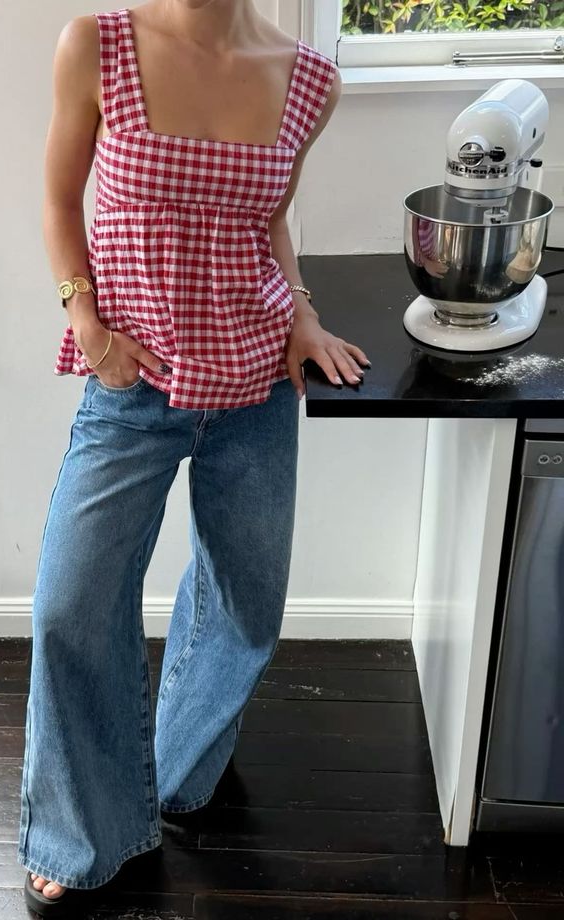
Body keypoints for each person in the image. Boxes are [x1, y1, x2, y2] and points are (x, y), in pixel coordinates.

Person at [19, 1, 370, 914]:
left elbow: (271, 224)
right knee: (72, 604)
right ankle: (81, 833)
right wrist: (87, 324)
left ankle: (173, 770)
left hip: (256, 386)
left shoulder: (310, 80)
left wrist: (301, 315)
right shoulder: (98, 45)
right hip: (133, 386)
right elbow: (59, 200)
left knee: (246, 600)